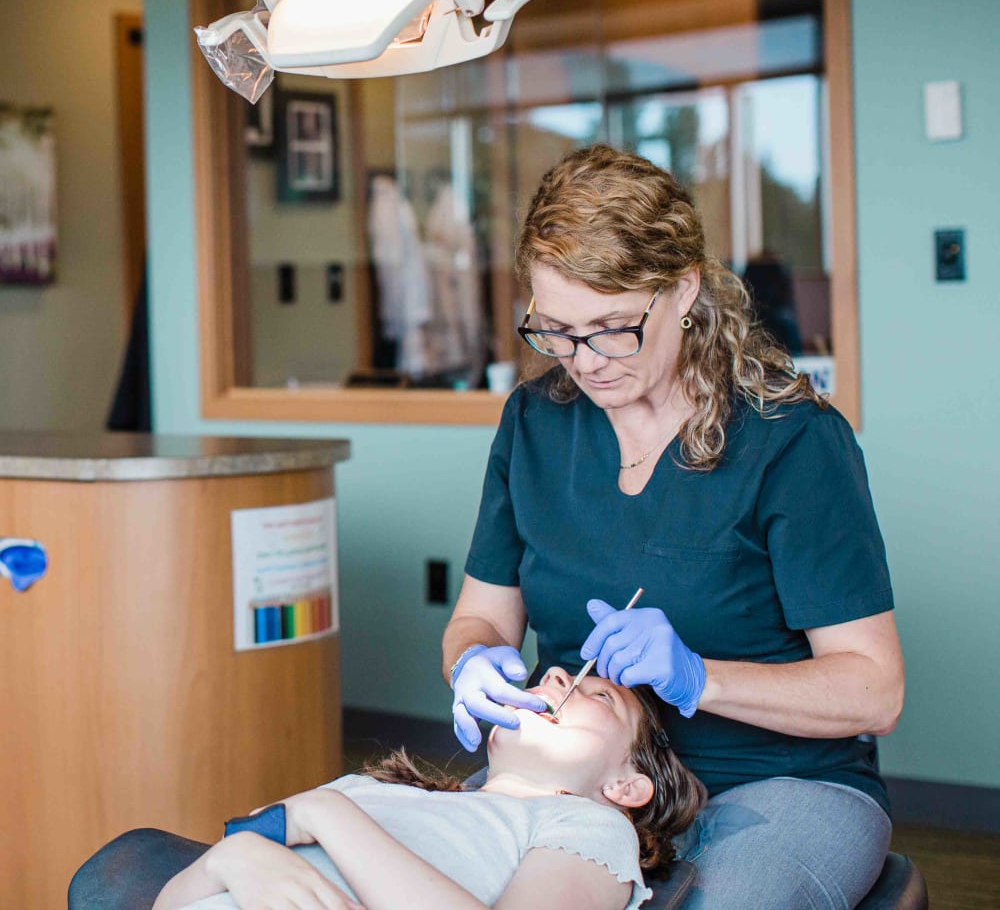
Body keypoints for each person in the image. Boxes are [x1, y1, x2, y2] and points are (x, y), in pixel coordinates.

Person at [443, 144, 904, 909]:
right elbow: (482, 616)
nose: (583, 362)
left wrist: (698, 676)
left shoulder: (791, 441)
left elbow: (874, 689)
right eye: (554, 330)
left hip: (776, 786)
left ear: (683, 289)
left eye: (612, 327)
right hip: (585, 782)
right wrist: (475, 664)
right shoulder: (535, 421)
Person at [152, 668, 706, 910]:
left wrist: (325, 814)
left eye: (600, 697)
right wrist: (237, 859)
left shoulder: (589, 826)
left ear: (627, 786)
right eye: (557, 679)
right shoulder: (368, 790)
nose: (557, 677)